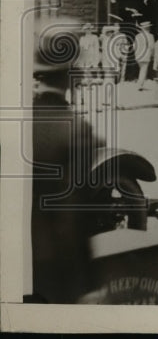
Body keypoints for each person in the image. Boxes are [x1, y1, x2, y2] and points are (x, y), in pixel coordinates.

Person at [30, 17, 103, 303]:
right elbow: (71, 218)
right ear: (73, 72)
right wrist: (85, 287)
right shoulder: (76, 131)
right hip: (55, 272)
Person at [134, 20, 155, 91]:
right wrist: (152, 55)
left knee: (141, 70)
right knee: (143, 70)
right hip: (146, 55)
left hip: (138, 55)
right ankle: (140, 85)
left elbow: (134, 47)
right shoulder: (150, 36)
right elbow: (152, 47)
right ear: (148, 28)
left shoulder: (137, 36)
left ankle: (140, 84)